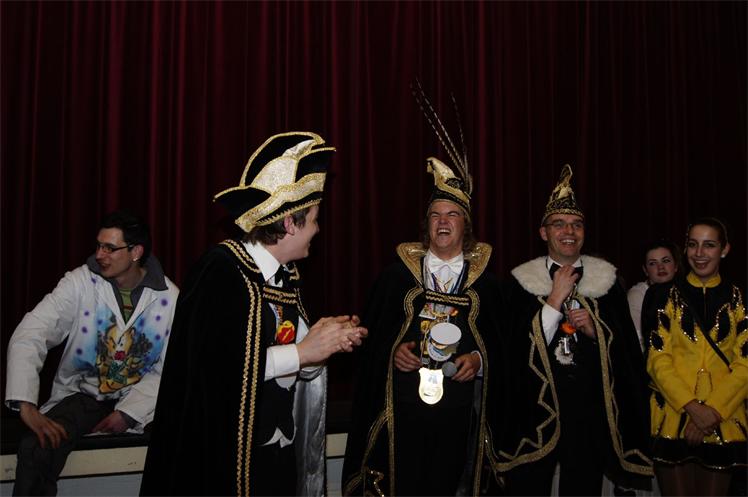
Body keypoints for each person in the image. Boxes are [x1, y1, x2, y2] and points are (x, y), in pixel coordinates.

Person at [139, 131, 367, 497]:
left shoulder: (285, 277)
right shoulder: (221, 272)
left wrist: (323, 344)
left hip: (276, 458)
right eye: (313, 219)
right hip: (223, 460)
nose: (317, 229)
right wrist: (303, 352)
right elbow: (213, 371)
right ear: (290, 224)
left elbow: (293, 366)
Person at [342, 93, 501, 496]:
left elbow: (509, 347)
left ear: (466, 225)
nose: (443, 222)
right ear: (426, 224)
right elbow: (370, 344)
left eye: (452, 215)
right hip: (402, 416)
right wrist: (392, 352)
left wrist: (479, 360)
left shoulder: (488, 284)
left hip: (462, 416)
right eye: (435, 215)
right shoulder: (395, 278)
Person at [496, 165, 652, 496]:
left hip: (588, 412)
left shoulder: (606, 282)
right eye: (559, 224)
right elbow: (511, 353)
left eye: (576, 224)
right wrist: (554, 300)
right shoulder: (520, 283)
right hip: (534, 412)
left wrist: (598, 332)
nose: (569, 231)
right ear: (543, 233)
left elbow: (627, 352)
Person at [5, 209, 178, 496]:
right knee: (38, 448)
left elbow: (170, 368)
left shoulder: (169, 299)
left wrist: (129, 413)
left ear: (136, 252)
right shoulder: (80, 283)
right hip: (84, 395)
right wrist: (25, 404)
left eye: (110, 248)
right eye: (98, 245)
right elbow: (31, 333)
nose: (100, 255)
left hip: (142, 399)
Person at [642, 217, 746, 496]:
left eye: (709, 245)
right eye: (692, 245)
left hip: (723, 417)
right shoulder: (661, 295)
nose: (699, 253)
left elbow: (745, 362)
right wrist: (692, 408)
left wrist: (712, 411)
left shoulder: (740, 297)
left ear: (724, 249)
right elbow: (656, 359)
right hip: (673, 415)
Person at [627, 239, 680, 350]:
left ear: (676, 266)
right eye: (653, 263)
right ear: (645, 270)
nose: (660, 267)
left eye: (666, 261)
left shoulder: (685, 292)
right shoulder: (638, 295)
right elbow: (637, 342)